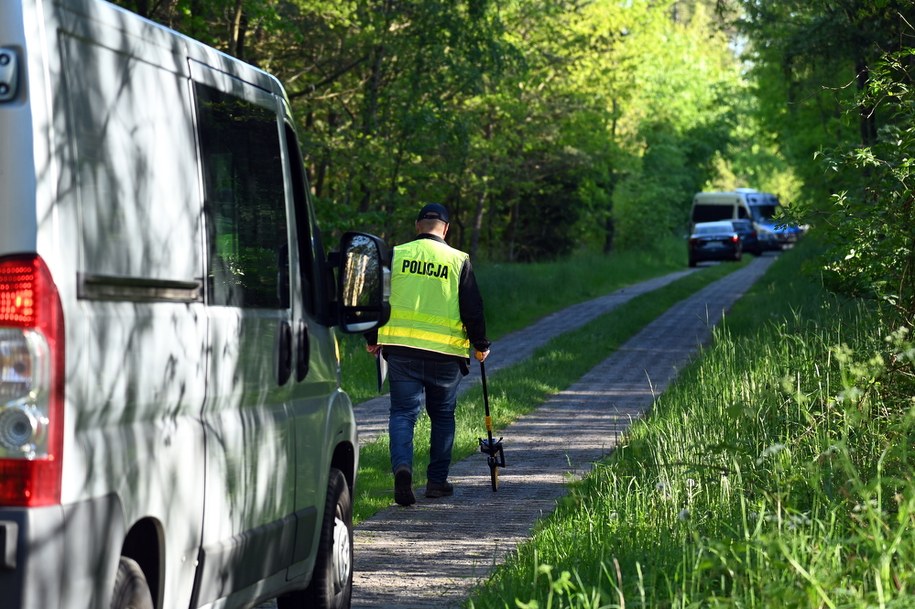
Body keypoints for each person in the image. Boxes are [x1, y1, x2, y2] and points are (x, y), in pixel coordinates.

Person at [367, 203, 491, 507]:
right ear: (446, 229)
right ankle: (436, 482)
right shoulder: (458, 260)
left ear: (417, 225)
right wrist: (481, 344)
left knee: (402, 413)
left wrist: (372, 337)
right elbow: (472, 308)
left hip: (401, 351)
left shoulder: (395, 255)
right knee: (443, 415)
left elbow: (375, 297)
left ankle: (403, 468)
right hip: (445, 354)